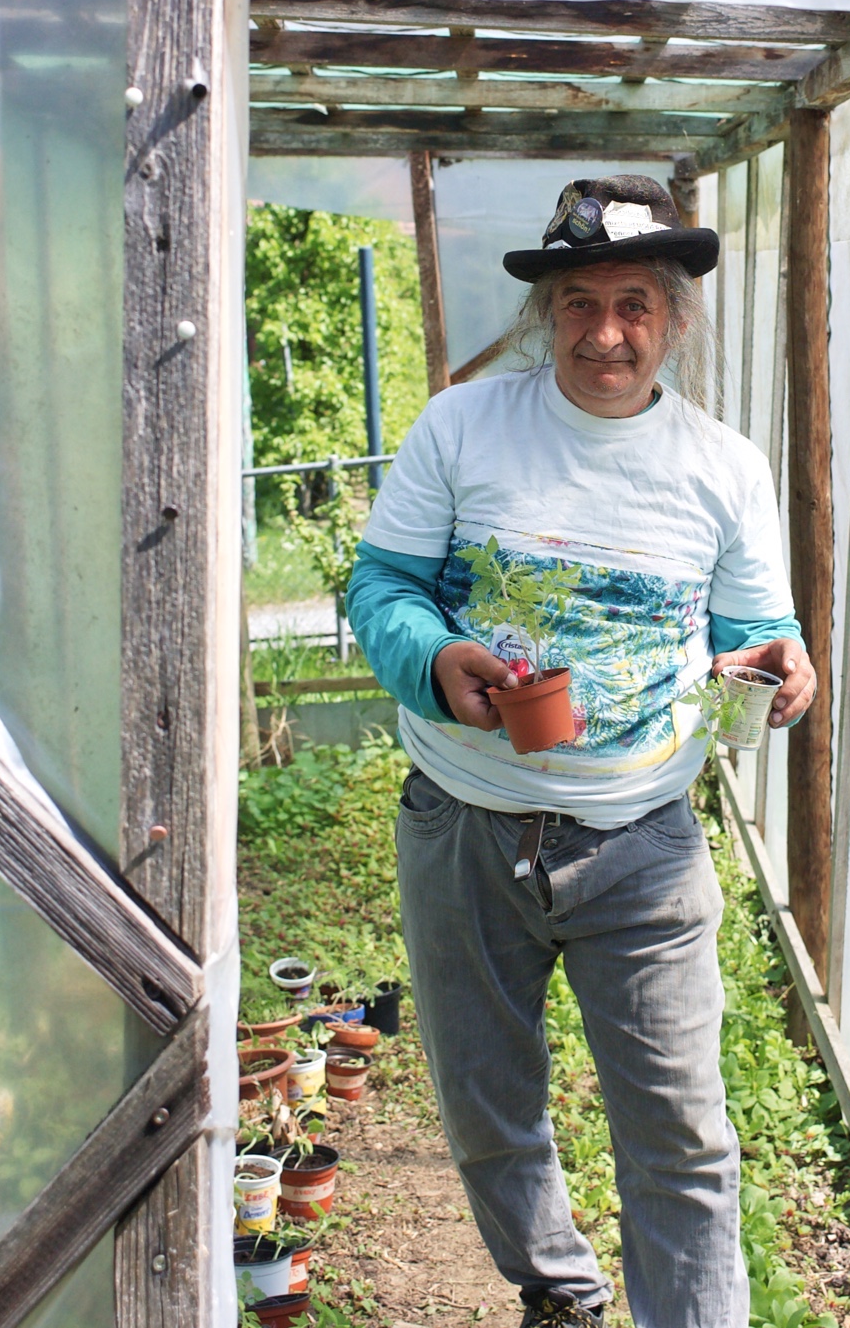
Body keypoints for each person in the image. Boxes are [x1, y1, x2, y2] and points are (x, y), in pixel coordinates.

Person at [345, 174, 813, 1328]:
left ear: (674, 319)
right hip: (463, 819)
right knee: (487, 1104)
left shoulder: (723, 467)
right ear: (545, 313)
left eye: (634, 306)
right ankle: (558, 1289)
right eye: (581, 304)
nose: (606, 334)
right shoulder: (462, 426)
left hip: (641, 842)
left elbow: (759, 626)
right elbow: (385, 583)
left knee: (682, 1131)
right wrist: (434, 660)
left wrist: (780, 669)